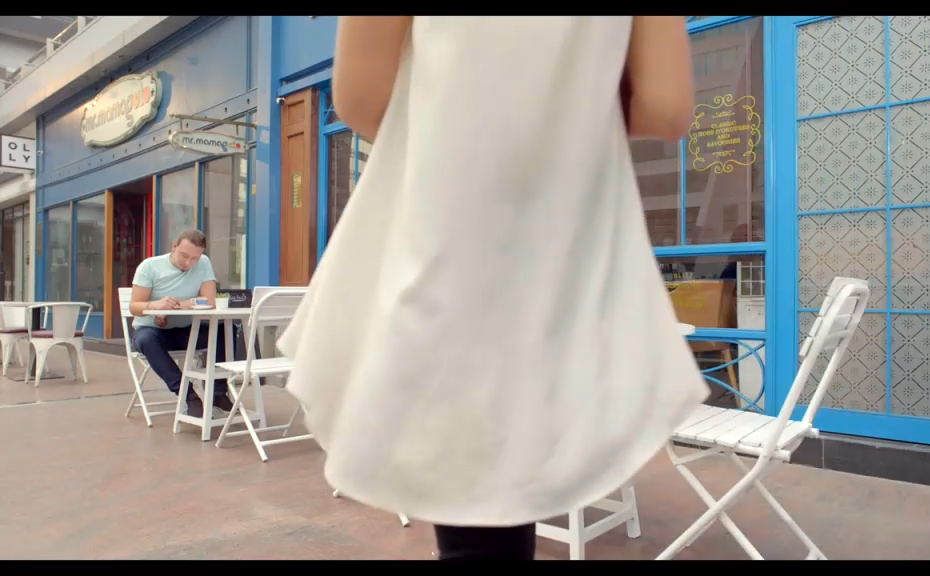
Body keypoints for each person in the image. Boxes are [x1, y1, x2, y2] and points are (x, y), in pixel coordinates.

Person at [279, 16, 709, 560]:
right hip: (563, 239)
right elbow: (665, 107)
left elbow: (360, 100)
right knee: (510, 484)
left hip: (452, 234)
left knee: (472, 500)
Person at [129, 229, 233, 418]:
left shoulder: (203, 263)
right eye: (184, 256)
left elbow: (209, 301)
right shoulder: (149, 267)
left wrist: (175, 305)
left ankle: (218, 393)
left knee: (225, 329)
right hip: (152, 330)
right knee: (146, 339)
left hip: (186, 331)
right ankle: (188, 395)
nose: (189, 263)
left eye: (195, 258)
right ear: (174, 247)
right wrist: (155, 306)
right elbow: (135, 307)